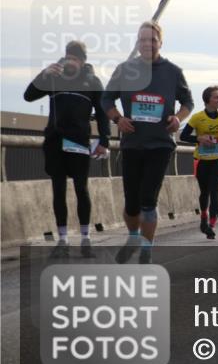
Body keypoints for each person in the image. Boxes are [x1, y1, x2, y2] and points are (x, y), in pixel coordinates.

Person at [102, 21, 193, 264]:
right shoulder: (125, 70)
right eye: (143, 40)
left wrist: (178, 118)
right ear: (137, 42)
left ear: (160, 43)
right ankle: (133, 237)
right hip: (132, 144)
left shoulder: (173, 72)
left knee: (147, 198)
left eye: (152, 40)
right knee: (132, 203)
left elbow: (188, 103)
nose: (147, 44)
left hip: (160, 144)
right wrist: (118, 119)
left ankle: (146, 248)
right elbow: (106, 100)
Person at [24, 40, 110, 256]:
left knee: (82, 189)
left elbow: (102, 113)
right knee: (58, 191)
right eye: (68, 57)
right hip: (54, 142)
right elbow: (28, 96)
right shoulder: (54, 77)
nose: (71, 62)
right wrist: (43, 75)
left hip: (79, 143)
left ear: (82, 61)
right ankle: (62, 240)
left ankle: (85, 239)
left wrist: (104, 141)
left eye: (75, 58)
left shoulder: (93, 82)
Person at [180, 86, 218, 240]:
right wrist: (199, 138)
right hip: (202, 160)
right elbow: (183, 136)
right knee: (205, 192)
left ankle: (211, 225)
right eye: (216, 97)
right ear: (208, 100)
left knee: (215, 193)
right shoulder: (197, 118)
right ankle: (204, 216)